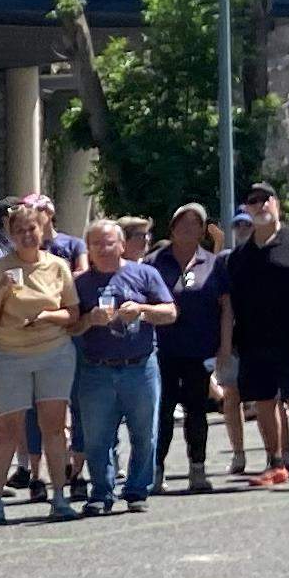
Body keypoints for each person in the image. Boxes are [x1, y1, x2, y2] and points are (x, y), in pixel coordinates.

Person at [213, 183, 289, 486]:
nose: (260, 205)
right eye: (253, 201)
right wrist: (227, 344)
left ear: (276, 204)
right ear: (246, 209)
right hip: (253, 342)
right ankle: (276, 463)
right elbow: (229, 303)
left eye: (266, 199)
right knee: (264, 401)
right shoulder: (240, 256)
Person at [0, 197, 80, 524]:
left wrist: (47, 316)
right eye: (19, 230)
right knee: (8, 428)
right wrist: (3, 292)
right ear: (11, 234)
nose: (26, 235)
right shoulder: (0, 268)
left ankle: (59, 496)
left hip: (54, 353)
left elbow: (73, 314)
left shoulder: (58, 266)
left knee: (54, 426)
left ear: (42, 229)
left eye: (31, 228)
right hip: (10, 355)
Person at [68, 217, 174, 511]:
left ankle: (137, 491)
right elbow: (69, 326)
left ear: (122, 245)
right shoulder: (80, 284)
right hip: (96, 368)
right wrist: (89, 319)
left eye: (109, 243)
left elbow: (170, 312)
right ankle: (101, 493)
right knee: (97, 437)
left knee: (144, 433)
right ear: (88, 248)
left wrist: (142, 309)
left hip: (140, 367)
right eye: (96, 244)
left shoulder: (145, 274)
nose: (103, 249)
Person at [154, 202, 227, 494]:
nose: (188, 229)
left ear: (203, 231)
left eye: (195, 224)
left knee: (197, 411)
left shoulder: (213, 263)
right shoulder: (154, 262)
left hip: (199, 349)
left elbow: (226, 307)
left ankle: (197, 469)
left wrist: (225, 345)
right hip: (162, 350)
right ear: (172, 229)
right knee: (162, 411)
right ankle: (155, 471)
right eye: (182, 223)